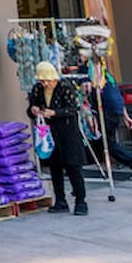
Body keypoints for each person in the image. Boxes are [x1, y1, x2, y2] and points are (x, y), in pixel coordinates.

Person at [28, 61, 88, 215]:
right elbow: (31, 107)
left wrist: (55, 113)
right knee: (55, 167)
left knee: (73, 167)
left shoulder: (65, 87)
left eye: (48, 81)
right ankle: (60, 200)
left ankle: (81, 201)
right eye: (42, 81)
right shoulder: (37, 89)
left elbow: (72, 109)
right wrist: (33, 110)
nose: (46, 84)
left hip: (67, 132)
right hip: (49, 133)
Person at [93, 69, 132, 180]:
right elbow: (118, 98)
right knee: (107, 143)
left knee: (108, 144)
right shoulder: (109, 77)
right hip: (114, 113)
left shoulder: (97, 77)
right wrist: (125, 116)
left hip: (106, 113)